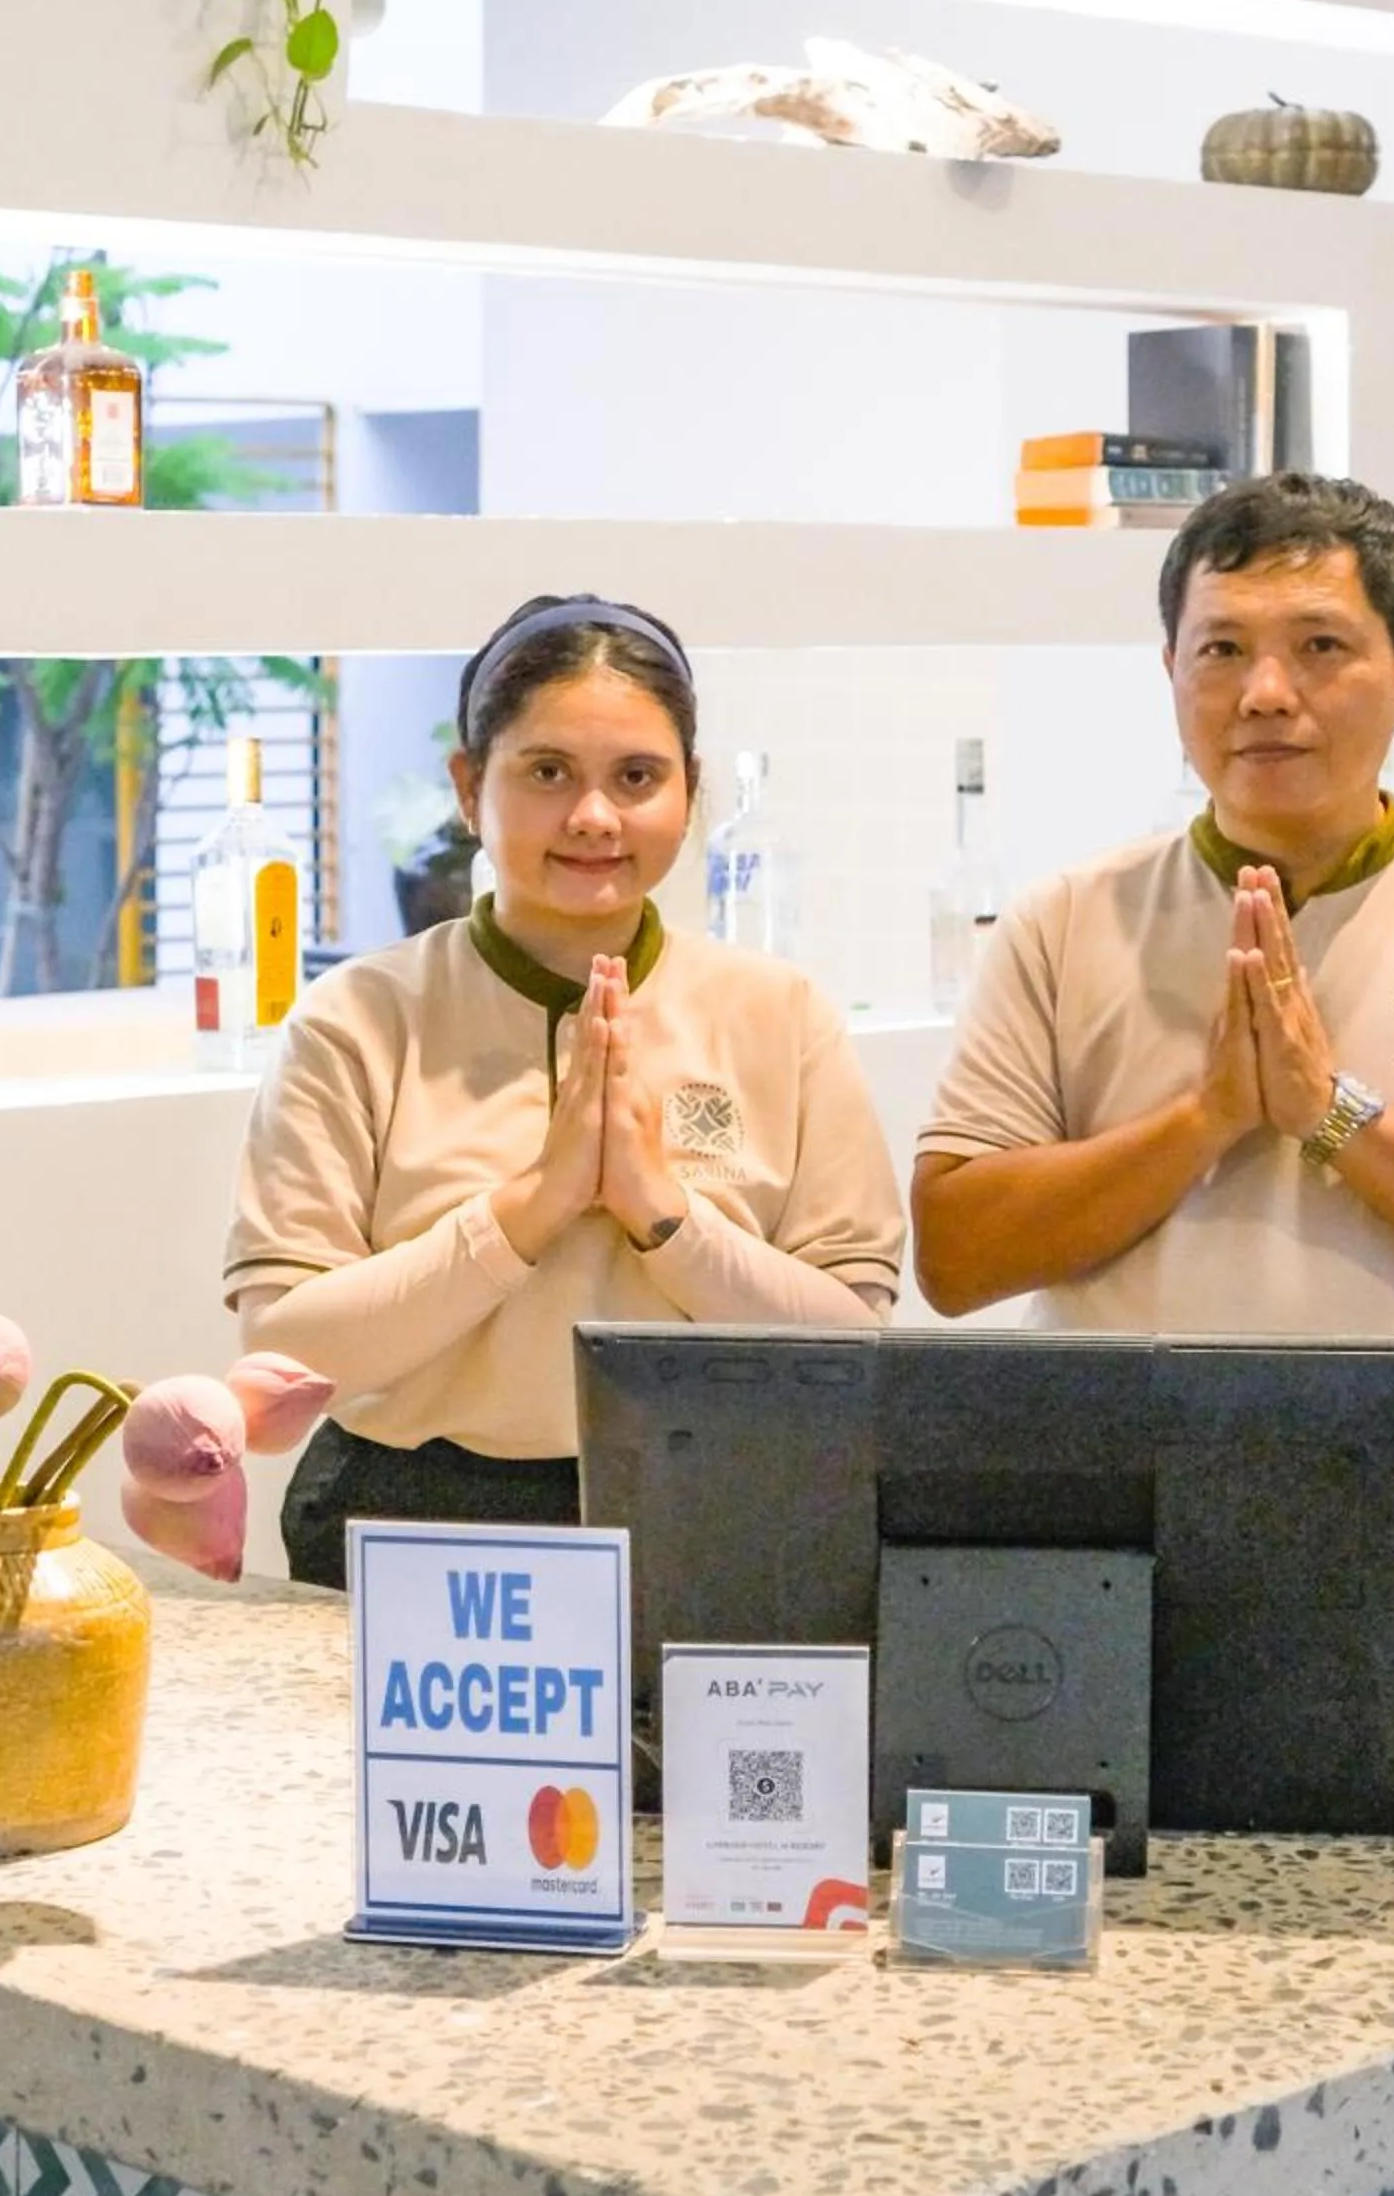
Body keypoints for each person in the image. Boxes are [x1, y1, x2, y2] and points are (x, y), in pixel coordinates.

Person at [912, 472, 1394, 1609]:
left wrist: (1330, 1115)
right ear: (1169, 670)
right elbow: (956, 1257)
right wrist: (1207, 1118)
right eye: (1220, 651)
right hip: (1108, 1552)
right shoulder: (1067, 920)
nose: (1264, 694)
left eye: (1318, 647)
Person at [227, 593, 905, 1582]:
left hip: (714, 1513)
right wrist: (529, 1208)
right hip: (411, 1517)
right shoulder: (357, 1019)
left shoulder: (782, 1015)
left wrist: (663, 1214)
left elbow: (854, 1346)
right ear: (469, 787)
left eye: (636, 777)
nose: (593, 817)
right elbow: (286, 1348)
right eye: (547, 772)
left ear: (690, 790)